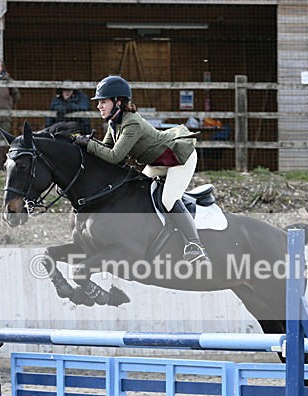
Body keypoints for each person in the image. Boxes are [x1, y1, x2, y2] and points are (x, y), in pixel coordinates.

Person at [74, 75, 208, 264]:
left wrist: (88, 144)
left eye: (103, 102)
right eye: (99, 102)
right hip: (157, 163)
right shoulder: (114, 123)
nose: (99, 106)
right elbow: (103, 151)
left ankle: (195, 246)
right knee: (140, 194)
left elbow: (114, 156)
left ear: (118, 102)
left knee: (168, 199)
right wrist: (83, 145)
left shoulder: (131, 123)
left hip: (179, 159)